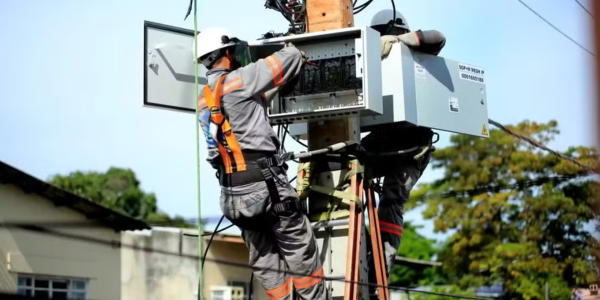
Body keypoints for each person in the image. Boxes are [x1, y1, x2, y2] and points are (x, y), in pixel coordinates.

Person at [195, 27, 326, 300]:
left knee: (265, 261)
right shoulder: (242, 79)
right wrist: (294, 44)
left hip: (232, 197)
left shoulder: (203, 100)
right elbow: (288, 58)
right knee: (300, 254)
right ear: (226, 53)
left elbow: (214, 153)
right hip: (266, 186)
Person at [361, 9, 447, 279]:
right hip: (383, 139)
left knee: (392, 200)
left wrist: (401, 42)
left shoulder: (416, 54)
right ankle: (355, 255)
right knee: (346, 176)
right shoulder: (369, 57)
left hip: (412, 146)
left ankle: (379, 273)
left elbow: (438, 37)